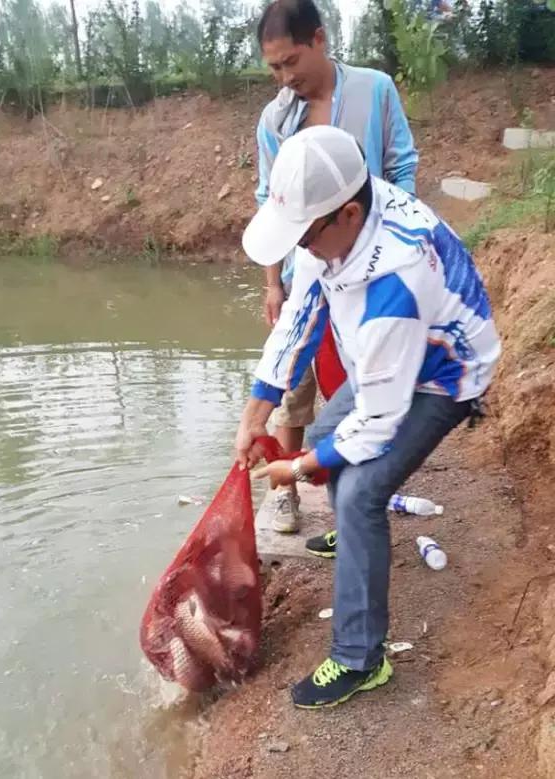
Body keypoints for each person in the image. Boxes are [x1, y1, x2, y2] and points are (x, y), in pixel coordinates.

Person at [236, 125, 500, 709]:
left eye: (305, 237)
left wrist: (298, 466)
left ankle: (360, 658)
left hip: (444, 373)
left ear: (348, 214)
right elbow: (301, 314)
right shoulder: (335, 216)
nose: (301, 248)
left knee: (357, 492)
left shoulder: (395, 278)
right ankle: (360, 542)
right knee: (331, 430)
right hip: (390, 355)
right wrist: (256, 412)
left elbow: (380, 423)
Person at [255, 0, 419, 534]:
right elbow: (269, 200)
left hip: (368, 262)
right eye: (274, 68)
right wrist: (273, 283)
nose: (285, 78)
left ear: (320, 40)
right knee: (293, 375)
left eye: (291, 61)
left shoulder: (375, 90)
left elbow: (401, 166)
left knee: (362, 371)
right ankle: (285, 492)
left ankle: (359, 486)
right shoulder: (276, 119)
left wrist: (392, 248)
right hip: (309, 264)